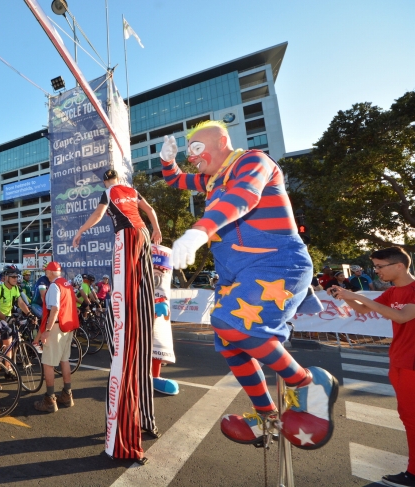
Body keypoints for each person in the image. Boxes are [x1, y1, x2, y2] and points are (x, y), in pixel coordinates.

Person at [159, 120, 338, 449]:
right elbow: (175, 180)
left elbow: (245, 196)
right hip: (236, 275)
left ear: (222, 141)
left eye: (197, 149)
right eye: (188, 152)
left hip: (274, 263)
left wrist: (200, 231)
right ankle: (267, 415)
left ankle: (308, 383)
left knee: (231, 324)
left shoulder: (252, 161)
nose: (192, 157)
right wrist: (167, 161)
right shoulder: (213, 181)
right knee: (229, 343)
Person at [72, 168, 163, 463]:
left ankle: (125, 314)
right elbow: (149, 209)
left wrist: (81, 232)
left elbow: (99, 216)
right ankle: (147, 419)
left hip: (127, 235)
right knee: (140, 297)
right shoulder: (132, 191)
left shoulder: (109, 192)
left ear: (105, 182)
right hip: (145, 236)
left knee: (122, 301)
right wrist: (156, 228)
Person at [328, 247, 415, 487]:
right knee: (408, 417)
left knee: (412, 418)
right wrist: (345, 296)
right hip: (399, 361)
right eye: (375, 266)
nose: (376, 271)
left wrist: (359, 296)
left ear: (398, 265)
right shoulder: (394, 291)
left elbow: (400, 316)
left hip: (412, 364)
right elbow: (366, 310)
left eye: (379, 266)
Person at [32, 261, 79, 413]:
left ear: (51, 272)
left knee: (48, 363)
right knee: (64, 360)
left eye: (46, 271)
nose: (45, 273)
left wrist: (47, 330)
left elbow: (55, 309)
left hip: (57, 327)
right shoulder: (67, 284)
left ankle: (50, 399)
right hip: (68, 327)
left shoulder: (53, 286)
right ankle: (67, 394)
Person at [0, 265, 32, 377]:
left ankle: (8, 370)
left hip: (6, 320)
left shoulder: (15, 288)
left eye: (16, 276)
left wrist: (29, 314)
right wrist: (5, 318)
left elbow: (21, 303)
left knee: (8, 345)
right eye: (13, 276)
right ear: (6, 277)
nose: (15, 279)